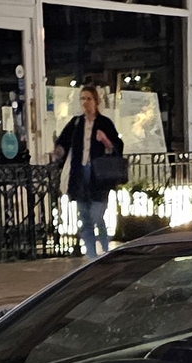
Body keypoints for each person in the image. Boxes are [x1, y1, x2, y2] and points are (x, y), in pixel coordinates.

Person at [51, 86, 125, 259]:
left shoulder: (105, 123)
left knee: (97, 215)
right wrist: (57, 150)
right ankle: (92, 255)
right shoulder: (76, 123)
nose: (85, 102)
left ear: (96, 101)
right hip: (79, 175)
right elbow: (63, 144)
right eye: (82, 99)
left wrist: (105, 140)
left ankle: (105, 251)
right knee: (84, 217)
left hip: (99, 177)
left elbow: (117, 148)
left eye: (88, 99)